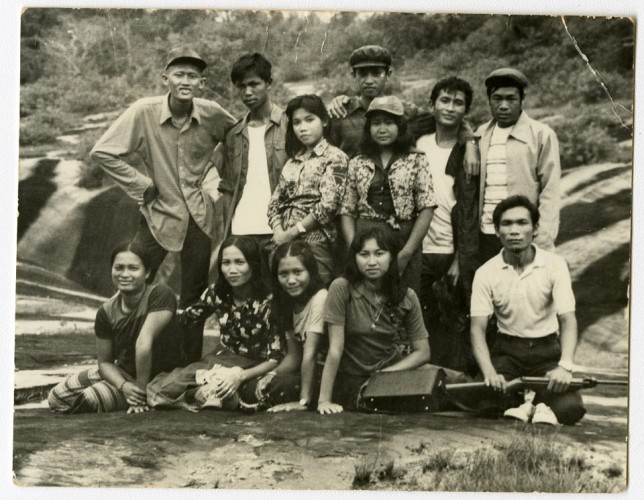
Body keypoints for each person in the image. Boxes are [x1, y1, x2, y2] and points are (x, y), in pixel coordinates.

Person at [90, 47, 237, 363]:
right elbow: (103, 151)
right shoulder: (144, 111)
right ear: (165, 78)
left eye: (193, 76)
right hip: (157, 214)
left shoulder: (212, 113)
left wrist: (219, 174)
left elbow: (240, 137)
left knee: (193, 296)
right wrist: (142, 185)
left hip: (199, 215)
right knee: (131, 282)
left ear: (202, 82)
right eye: (180, 74)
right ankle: (121, 360)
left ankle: (189, 367)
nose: (186, 81)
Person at [470, 195, 585, 425]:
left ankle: (536, 401)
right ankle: (528, 401)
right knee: (486, 406)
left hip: (547, 352)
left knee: (571, 410)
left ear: (535, 229)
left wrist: (564, 367)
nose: (514, 231)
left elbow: (568, 320)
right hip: (508, 353)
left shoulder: (554, 264)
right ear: (496, 230)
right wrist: (490, 372)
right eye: (507, 223)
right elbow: (477, 330)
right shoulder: (485, 272)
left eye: (522, 223)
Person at [146, 236, 284, 411]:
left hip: (254, 365)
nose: (232, 270)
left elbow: (275, 359)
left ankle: (210, 394)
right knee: (162, 386)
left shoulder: (269, 302)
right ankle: (199, 394)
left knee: (241, 387)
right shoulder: (217, 293)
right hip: (222, 358)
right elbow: (188, 319)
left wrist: (240, 376)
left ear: (253, 264)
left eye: (240, 262)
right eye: (226, 263)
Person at [48, 243, 184, 414]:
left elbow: (143, 343)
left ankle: (133, 397)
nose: (125, 274)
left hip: (158, 380)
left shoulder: (160, 295)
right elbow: (104, 362)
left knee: (89, 399)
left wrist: (139, 396)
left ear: (147, 273)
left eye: (133, 268)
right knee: (57, 397)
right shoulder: (106, 312)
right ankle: (117, 394)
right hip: (125, 374)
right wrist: (123, 386)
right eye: (119, 268)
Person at [321, 226, 431, 412]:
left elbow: (422, 352)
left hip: (391, 373)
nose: (372, 262)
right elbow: (335, 349)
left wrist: (385, 374)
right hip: (354, 377)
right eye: (364, 254)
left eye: (379, 253)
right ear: (354, 257)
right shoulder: (341, 288)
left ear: (392, 256)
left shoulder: (407, 295)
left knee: (450, 381)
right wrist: (324, 401)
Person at [327, 45, 479, 173]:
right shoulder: (340, 112)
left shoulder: (405, 111)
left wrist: (470, 142)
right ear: (353, 74)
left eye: (376, 73)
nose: (369, 80)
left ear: (388, 74)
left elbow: (444, 117)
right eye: (362, 74)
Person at [340, 95, 436, 296]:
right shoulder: (357, 160)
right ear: (368, 128)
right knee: (365, 299)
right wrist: (354, 249)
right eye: (376, 123)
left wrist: (406, 253)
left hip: (403, 239)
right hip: (366, 242)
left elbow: (426, 207)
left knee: (403, 300)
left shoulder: (416, 159)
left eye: (389, 122)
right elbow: (347, 209)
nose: (382, 129)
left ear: (400, 126)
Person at [415, 76, 479, 371]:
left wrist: (458, 259)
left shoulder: (468, 152)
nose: (450, 108)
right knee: (421, 319)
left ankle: (453, 383)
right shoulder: (418, 141)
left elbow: (467, 212)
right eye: (444, 100)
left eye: (458, 103)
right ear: (433, 104)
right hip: (418, 248)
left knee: (453, 318)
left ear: (466, 110)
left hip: (449, 249)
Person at [476, 68, 561, 263]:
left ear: (522, 100)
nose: (504, 106)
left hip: (523, 237)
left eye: (511, 99)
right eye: (497, 99)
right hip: (487, 235)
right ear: (489, 100)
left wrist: (543, 240)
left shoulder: (541, 134)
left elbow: (550, 191)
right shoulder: (481, 134)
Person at [266, 94, 348, 285]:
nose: (302, 128)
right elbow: (274, 203)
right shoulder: (292, 162)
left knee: (316, 298)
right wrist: (279, 233)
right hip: (282, 243)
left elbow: (327, 206)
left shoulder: (335, 157)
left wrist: (292, 233)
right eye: (296, 123)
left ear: (325, 121)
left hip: (315, 242)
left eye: (309, 120)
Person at [215, 53, 289, 265]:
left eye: (254, 84)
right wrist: (228, 234)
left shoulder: (290, 125)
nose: (247, 92)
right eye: (241, 86)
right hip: (242, 231)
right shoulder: (234, 134)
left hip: (279, 231)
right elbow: (228, 187)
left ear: (269, 83)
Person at [254, 241, 329, 412]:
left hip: (326, 374)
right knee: (261, 384)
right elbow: (295, 355)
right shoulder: (286, 302)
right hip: (306, 370)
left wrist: (302, 402)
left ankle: (307, 400)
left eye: (298, 272)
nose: (291, 280)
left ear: (310, 271)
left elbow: (310, 354)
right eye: (283, 274)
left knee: (284, 386)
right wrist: (272, 374)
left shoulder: (320, 298)